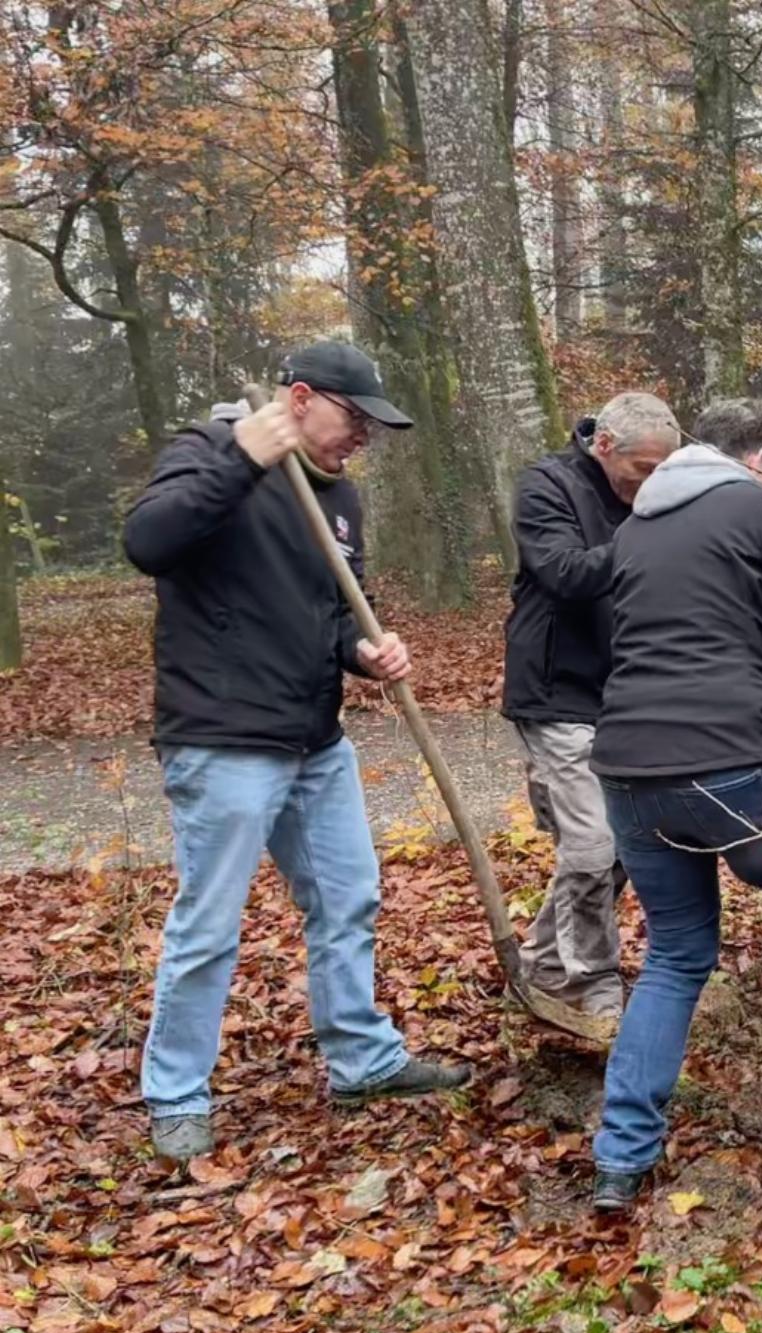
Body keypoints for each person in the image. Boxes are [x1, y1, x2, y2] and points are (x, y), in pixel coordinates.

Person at [123, 340, 472, 1162]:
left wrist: (365, 650)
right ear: (303, 398)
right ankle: (176, 1094)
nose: (365, 437)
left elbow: (338, 608)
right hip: (224, 736)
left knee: (348, 897)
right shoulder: (210, 450)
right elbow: (147, 543)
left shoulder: (339, 497)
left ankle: (362, 1060)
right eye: (356, 418)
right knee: (210, 923)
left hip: (315, 737)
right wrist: (243, 459)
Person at [589, 398, 762, 1209]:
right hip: (733, 763)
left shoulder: (636, 524)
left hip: (629, 770)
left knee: (676, 953)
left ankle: (621, 1156)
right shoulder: (759, 505)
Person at [502, 392, 680, 1029]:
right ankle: (590, 983)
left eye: (664, 472)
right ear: (604, 446)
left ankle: (545, 965)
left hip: (625, 691)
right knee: (592, 842)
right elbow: (565, 573)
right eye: (644, 470)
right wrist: (651, 536)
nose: (652, 485)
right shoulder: (547, 486)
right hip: (556, 690)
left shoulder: (647, 498)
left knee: (625, 842)